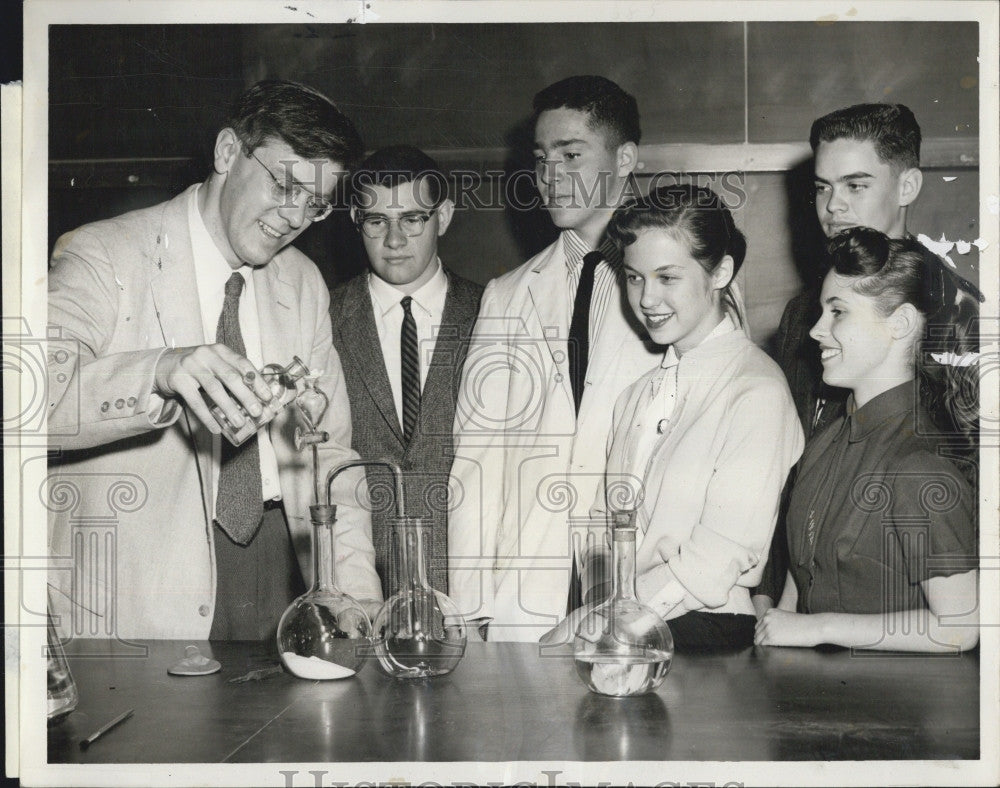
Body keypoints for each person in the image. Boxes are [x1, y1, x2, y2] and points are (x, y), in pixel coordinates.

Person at [46, 80, 383, 641]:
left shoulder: (301, 282)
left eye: (315, 204)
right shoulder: (103, 253)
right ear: (228, 152)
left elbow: (331, 453)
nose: (294, 216)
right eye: (284, 184)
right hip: (139, 590)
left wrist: (354, 594)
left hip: (284, 570)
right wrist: (158, 369)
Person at [448, 75, 661, 642]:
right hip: (530, 589)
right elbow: (477, 461)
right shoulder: (508, 293)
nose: (551, 177)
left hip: (642, 583)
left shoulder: (684, 285)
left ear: (626, 158)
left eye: (572, 155)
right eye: (542, 159)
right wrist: (469, 609)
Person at [545, 184, 804, 650]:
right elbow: (605, 526)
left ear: (721, 271)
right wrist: (600, 607)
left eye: (668, 278)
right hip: (629, 621)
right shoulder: (636, 396)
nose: (646, 299)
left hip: (703, 628)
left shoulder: (756, 391)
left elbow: (719, 557)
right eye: (634, 277)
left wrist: (606, 622)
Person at [755, 228, 979, 652]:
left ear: (901, 323)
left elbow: (962, 626)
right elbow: (799, 581)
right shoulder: (825, 440)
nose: (816, 330)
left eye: (838, 312)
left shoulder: (919, 463)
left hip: (897, 709)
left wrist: (819, 628)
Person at [755, 103, 938, 613]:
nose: (833, 206)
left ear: (907, 187)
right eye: (821, 187)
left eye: (855, 185)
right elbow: (793, 467)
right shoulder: (803, 317)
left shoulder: (957, 313)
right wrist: (768, 593)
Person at [330, 145, 483, 598]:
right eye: (377, 221)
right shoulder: (321, 318)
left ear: (445, 216)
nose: (394, 240)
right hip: (359, 590)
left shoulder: (495, 313)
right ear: (357, 220)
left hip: (469, 589)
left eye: (413, 219)